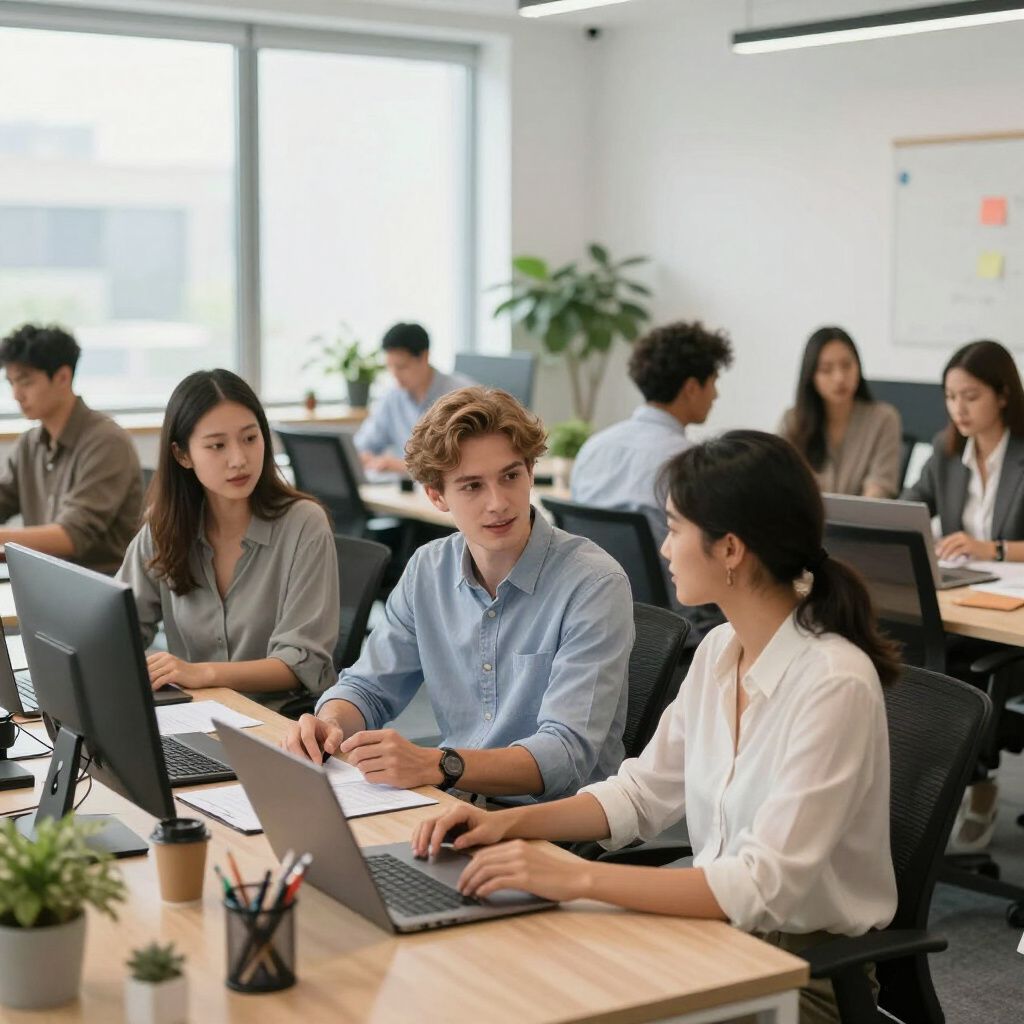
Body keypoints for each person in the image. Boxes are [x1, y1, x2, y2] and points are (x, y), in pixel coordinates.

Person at [412, 431, 899, 1024]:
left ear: (730, 550)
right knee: (507, 978)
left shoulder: (832, 682)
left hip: (804, 975)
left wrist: (576, 877)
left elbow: (761, 888)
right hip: (712, 935)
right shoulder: (723, 649)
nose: (664, 549)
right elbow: (640, 794)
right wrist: (503, 823)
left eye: (674, 529)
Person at [283, 386, 633, 802]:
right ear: (436, 496)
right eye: (471, 487)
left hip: (556, 825)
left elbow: (565, 755)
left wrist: (438, 765)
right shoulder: (427, 571)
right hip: (456, 801)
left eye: (510, 476)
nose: (498, 503)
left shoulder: (593, 584)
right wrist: (330, 722)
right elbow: (369, 688)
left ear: (530, 470)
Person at [117, 369, 339, 707]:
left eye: (250, 438)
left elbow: (302, 662)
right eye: (217, 445)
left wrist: (203, 673)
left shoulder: (304, 524)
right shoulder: (165, 528)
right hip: (192, 717)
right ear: (182, 455)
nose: (239, 459)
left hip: (280, 723)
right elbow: (118, 624)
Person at [902, 339, 1024, 851]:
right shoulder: (946, 453)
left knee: (953, 667)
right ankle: (929, 786)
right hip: (961, 599)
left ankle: (972, 782)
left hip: (1011, 617)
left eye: (970, 396)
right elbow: (907, 508)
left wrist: (989, 548)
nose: (959, 409)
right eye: (951, 397)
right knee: (908, 651)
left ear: (1001, 394)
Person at [571, 319, 732, 640]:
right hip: (678, 628)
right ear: (691, 388)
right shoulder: (690, 465)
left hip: (596, 620)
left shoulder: (593, 449)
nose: (716, 394)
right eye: (713, 381)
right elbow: (716, 561)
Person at [0, 322, 143, 574]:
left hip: (100, 592)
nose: (16, 395)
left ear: (63, 377)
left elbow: (70, 537)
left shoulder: (106, 441)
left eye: (26, 382)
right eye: (10, 382)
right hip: (48, 583)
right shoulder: (29, 444)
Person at [779, 327, 902, 498]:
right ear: (811, 376)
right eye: (826, 369)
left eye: (847, 365)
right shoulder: (792, 421)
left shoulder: (883, 419)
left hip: (862, 522)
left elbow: (879, 489)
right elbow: (779, 484)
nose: (839, 378)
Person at [353, 322, 473, 474]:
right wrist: (366, 457)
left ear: (424, 357)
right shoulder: (392, 397)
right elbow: (362, 445)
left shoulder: (462, 395)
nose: (394, 374)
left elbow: (468, 460)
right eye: (390, 366)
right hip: (399, 492)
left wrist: (402, 466)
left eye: (401, 367)